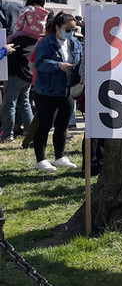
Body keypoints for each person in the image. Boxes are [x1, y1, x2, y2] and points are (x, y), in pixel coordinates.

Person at [31, 12, 82, 172]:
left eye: (74, 29)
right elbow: (40, 63)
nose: (72, 33)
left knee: (63, 125)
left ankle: (60, 156)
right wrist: (58, 65)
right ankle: (41, 159)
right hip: (47, 91)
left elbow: (80, 60)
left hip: (67, 90)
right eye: (68, 29)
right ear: (58, 28)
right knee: (45, 125)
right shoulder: (46, 43)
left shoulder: (74, 43)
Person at [1, 33, 36, 143]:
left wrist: (4, 50)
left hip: (14, 76)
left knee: (9, 105)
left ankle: (7, 135)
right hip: (27, 76)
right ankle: (30, 132)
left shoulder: (17, 39)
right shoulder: (33, 39)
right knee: (25, 104)